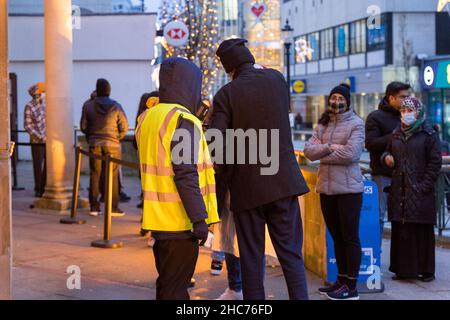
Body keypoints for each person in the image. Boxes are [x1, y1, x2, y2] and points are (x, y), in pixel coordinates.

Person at [210, 38, 310, 300]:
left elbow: (215, 143)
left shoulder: (226, 94)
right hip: (284, 183)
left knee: (252, 261)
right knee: (291, 255)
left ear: (228, 67)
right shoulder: (277, 80)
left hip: (248, 189)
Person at [136, 57, 220, 300]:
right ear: (190, 85)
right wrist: (199, 219)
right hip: (181, 223)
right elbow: (185, 173)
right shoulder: (182, 120)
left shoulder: (148, 117)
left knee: (167, 285)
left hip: (158, 220)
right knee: (175, 290)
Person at [304, 83, 365, 300]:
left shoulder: (357, 124)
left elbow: (352, 154)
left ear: (348, 101)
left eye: (340, 98)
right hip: (327, 189)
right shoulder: (322, 124)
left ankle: (352, 286)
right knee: (337, 237)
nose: (336, 101)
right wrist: (331, 147)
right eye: (333, 97)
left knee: (350, 238)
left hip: (349, 190)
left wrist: (324, 151)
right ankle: (340, 279)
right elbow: (309, 152)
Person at [381, 97, 442, 282]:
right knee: (402, 231)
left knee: (421, 232)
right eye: (403, 111)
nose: (406, 114)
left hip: (420, 192)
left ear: (419, 113)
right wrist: (387, 157)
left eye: (410, 111)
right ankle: (403, 270)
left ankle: (426, 271)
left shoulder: (429, 134)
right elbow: (386, 151)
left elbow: (435, 163)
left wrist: (423, 185)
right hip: (400, 191)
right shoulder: (396, 133)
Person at [365, 82, 410, 240]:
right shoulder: (375, 117)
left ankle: (401, 258)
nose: (407, 100)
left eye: (408, 96)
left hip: (407, 175)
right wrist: (395, 135)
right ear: (391, 98)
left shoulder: (409, 115)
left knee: (405, 218)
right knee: (378, 216)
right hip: (383, 175)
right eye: (403, 97)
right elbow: (370, 143)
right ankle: (375, 255)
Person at [80, 78, 129, 217]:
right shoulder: (116, 106)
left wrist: (92, 136)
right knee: (112, 176)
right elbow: (124, 127)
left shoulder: (88, 105)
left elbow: (83, 126)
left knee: (95, 174)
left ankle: (94, 207)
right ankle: (113, 207)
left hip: (94, 143)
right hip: (112, 144)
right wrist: (116, 138)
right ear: (109, 90)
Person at [24, 82, 47, 198]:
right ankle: (38, 189)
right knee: (37, 166)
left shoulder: (45, 104)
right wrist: (40, 137)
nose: (44, 94)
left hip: (48, 141)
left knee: (48, 165)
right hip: (37, 141)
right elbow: (28, 126)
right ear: (38, 93)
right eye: (43, 92)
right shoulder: (29, 106)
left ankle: (44, 187)